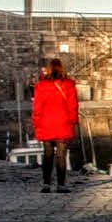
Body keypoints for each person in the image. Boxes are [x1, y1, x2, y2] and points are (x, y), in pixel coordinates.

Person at [31, 57, 80, 193]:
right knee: (61, 155)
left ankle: (46, 184)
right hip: (63, 123)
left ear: (49, 69)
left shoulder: (41, 86)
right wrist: (73, 121)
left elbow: (37, 107)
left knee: (47, 155)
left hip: (46, 124)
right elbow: (73, 105)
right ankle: (61, 185)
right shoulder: (69, 85)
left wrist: (36, 122)